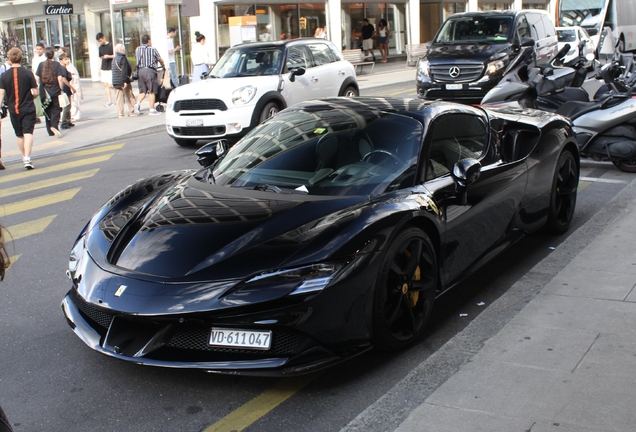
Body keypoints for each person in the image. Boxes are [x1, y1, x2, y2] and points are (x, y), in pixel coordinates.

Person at [0, 47, 38, 169]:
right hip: (27, 107)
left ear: (9, 59)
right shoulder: (28, 73)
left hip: (13, 108)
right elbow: (35, 92)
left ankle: (24, 157)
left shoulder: (4, 76)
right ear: (21, 58)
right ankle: (27, 158)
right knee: (28, 132)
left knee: (19, 134)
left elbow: (1, 94)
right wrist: (30, 98)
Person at [36, 47, 67, 139]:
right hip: (55, 91)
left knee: (47, 110)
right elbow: (60, 78)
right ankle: (54, 126)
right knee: (56, 109)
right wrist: (61, 88)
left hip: (44, 92)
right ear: (53, 55)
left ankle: (49, 131)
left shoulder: (41, 65)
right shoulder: (57, 65)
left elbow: (37, 79)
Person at [134, 34, 165, 116]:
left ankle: (137, 104)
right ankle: (151, 109)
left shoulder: (137, 49)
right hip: (150, 71)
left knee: (142, 91)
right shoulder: (153, 49)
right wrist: (163, 64)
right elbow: (159, 59)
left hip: (140, 71)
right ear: (148, 41)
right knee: (151, 91)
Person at [112, 43, 137, 118]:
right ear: (121, 50)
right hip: (123, 80)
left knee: (118, 98)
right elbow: (124, 71)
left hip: (115, 81)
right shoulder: (122, 58)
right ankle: (132, 111)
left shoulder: (114, 58)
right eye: (123, 49)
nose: (124, 50)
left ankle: (121, 113)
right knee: (129, 95)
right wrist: (125, 81)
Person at [57, 53, 76, 130]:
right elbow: (63, 79)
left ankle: (68, 121)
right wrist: (72, 87)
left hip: (66, 89)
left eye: (67, 59)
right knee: (67, 106)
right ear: (61, 60)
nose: (67, 60)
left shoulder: (64, 68)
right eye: (65, 59)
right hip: (65, 89)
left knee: (69, 105)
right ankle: (64, 122)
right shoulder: (62, 68)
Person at [64, 49, 83, 121]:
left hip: (74, 86)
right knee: (70, 101)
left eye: (67, 59)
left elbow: (75, 77)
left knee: (75, 100)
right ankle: (71, 114)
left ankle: (76, 115)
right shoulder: (63, 67)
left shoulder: (72, 67)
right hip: (68, 86)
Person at [96, 33, 114, 107]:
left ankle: (120, 92)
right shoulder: (100, 48)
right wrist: (99, 69)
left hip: (110, 67)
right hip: (104, 67)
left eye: (101, 40)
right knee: (105, 84)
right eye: (99, 41)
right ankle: (109, 101)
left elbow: (115, 55)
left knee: (111, 84)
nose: (100, 42)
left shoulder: (110, 45)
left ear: (103, 38)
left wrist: (108, 56)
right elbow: (100, 58)